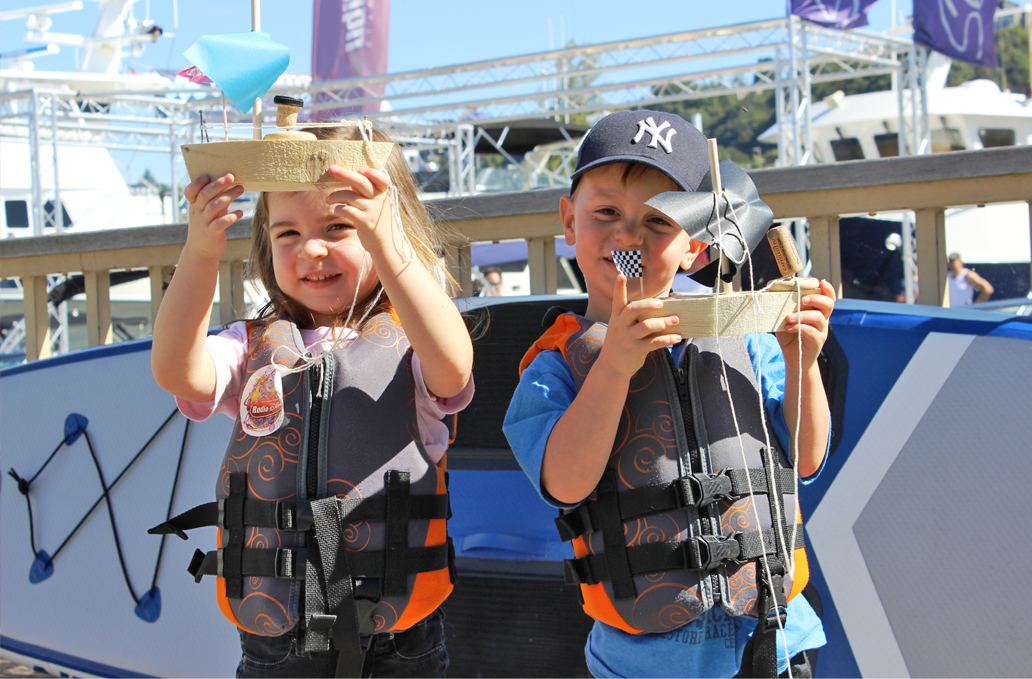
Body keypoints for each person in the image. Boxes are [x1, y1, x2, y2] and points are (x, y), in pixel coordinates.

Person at [502, 110, 834, 678]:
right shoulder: (553, 366)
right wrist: (613, 367)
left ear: (697, 248)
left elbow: (806, 458)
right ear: (568, 221)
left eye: (659, 221)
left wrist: (803, 362)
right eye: (606, 213)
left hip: (778, 644)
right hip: (643, 664)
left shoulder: (746, 338)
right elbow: (565, 483)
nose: (628, 235)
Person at [150, 121, 474, 678]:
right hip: (277, 642)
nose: (312, 249)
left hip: (398, 639)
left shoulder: (416, 340)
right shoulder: (249, 348)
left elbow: (453, 366)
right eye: (287, 234)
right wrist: (200, 253)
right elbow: (178, 372)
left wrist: (390, 246)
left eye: (339, 225)